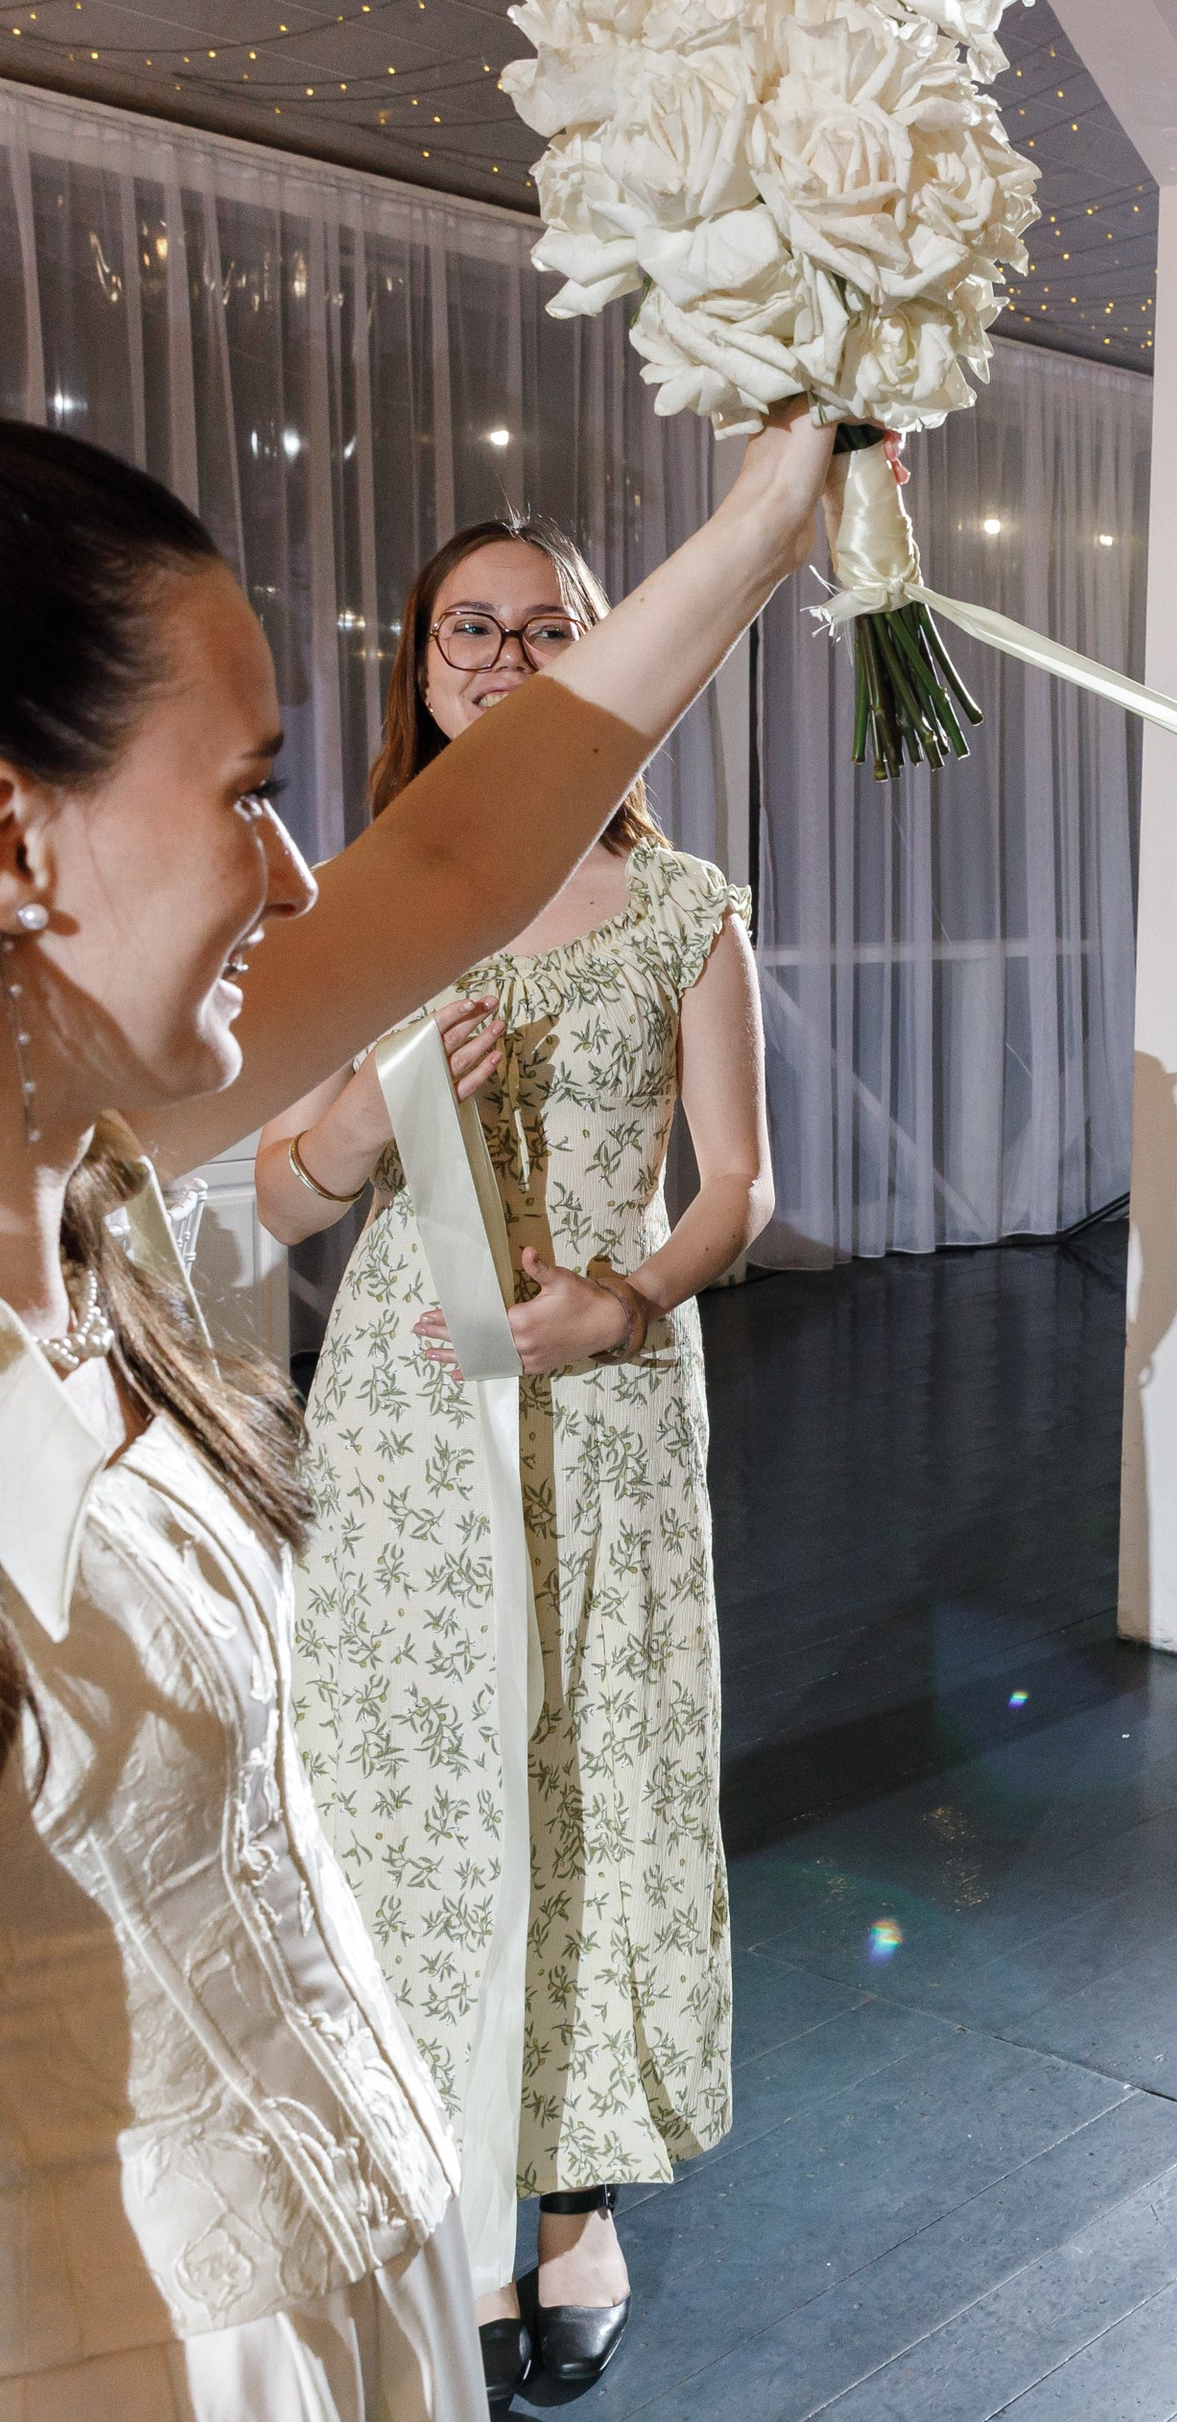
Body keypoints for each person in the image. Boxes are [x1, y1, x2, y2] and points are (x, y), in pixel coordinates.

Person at [0, 410, 831, 2417]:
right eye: (250, 794)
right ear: (20, 844)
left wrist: (769, 516)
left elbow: (464, 854)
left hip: (337, 2290)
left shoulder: (77, 1124)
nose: (303, 871)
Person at [256, 517, 773, 2403]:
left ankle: (568, 2207)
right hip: (406, 1418)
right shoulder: (368, 910)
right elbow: (286, 1190)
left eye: (546, 624)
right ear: (418, 662)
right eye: (466, 626)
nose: (499, 652)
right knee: (423, 1781)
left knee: (592, 1778)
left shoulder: (682, 903)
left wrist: (629, 1301)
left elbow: (740, 1185)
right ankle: (448, 2188)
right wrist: (376, 1099)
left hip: (610, 1410)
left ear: (600, 655)